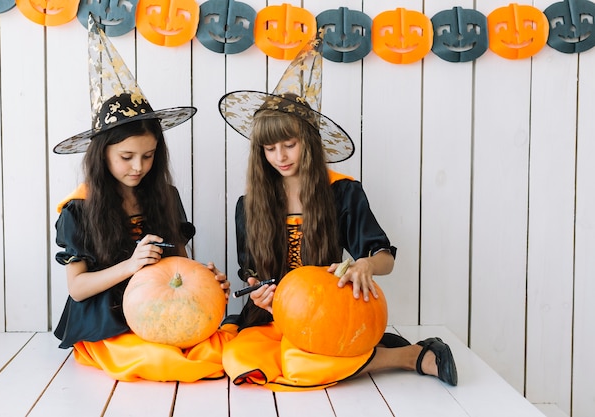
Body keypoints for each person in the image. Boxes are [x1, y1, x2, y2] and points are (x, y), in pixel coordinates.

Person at [217, 32, 457, 391]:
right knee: (239, 360)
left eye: (289, 145)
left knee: (302, 361)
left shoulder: (342, 191)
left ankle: (410, 356)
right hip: (271, 318)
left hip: (327, 313)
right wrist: (257, 293)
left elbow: (384, 256)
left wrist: (365, 265)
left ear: (309, 143)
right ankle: (381, 355)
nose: (280, 157)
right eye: (269, 148)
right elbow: (252, 275)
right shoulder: (249, 206)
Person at [51, 14, 236, 382]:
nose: (138, 167)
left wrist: (204, 281)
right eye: (126, 157)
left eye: (148, 156)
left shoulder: (165, 196)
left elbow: (179, 263)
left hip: (165, 309)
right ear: (102, 155)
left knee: (220, 348)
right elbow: (78, 287)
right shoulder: (78, 209)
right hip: (108, 318)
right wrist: (131, 265)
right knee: (161, 360)